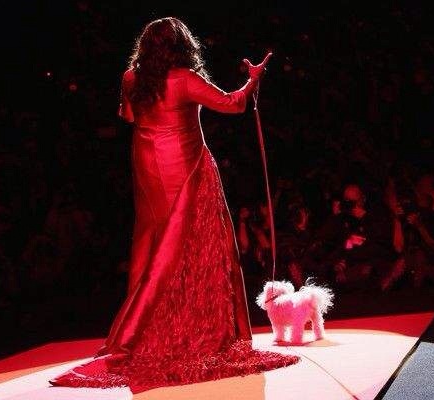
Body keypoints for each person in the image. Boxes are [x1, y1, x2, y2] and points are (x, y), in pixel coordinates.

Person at [49, 17, 298, 393]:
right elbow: (233, 105)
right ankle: (173, 329)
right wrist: (253, 80)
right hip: (183, 163)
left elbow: (128, 116)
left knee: (154, 242)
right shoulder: (184, 79)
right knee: (189, 244)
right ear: (182, 45)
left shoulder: (131, 78)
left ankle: (144, 325)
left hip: (147, 165)